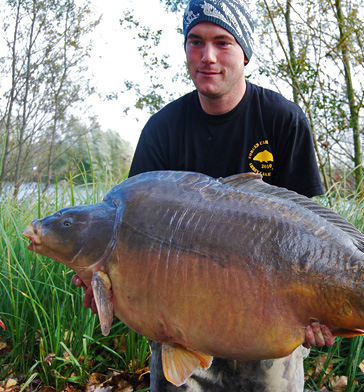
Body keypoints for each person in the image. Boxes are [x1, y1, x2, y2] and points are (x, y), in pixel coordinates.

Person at [74, 0, 335, 390]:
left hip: (266, 320)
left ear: (245, 53)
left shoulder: (282, 120)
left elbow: (312, 236)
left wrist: (320, 313)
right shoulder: (162, 129)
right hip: (181, 324)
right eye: (195, 42)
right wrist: (105, 280)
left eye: (222, 42)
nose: (207, 56)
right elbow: (128, 237)